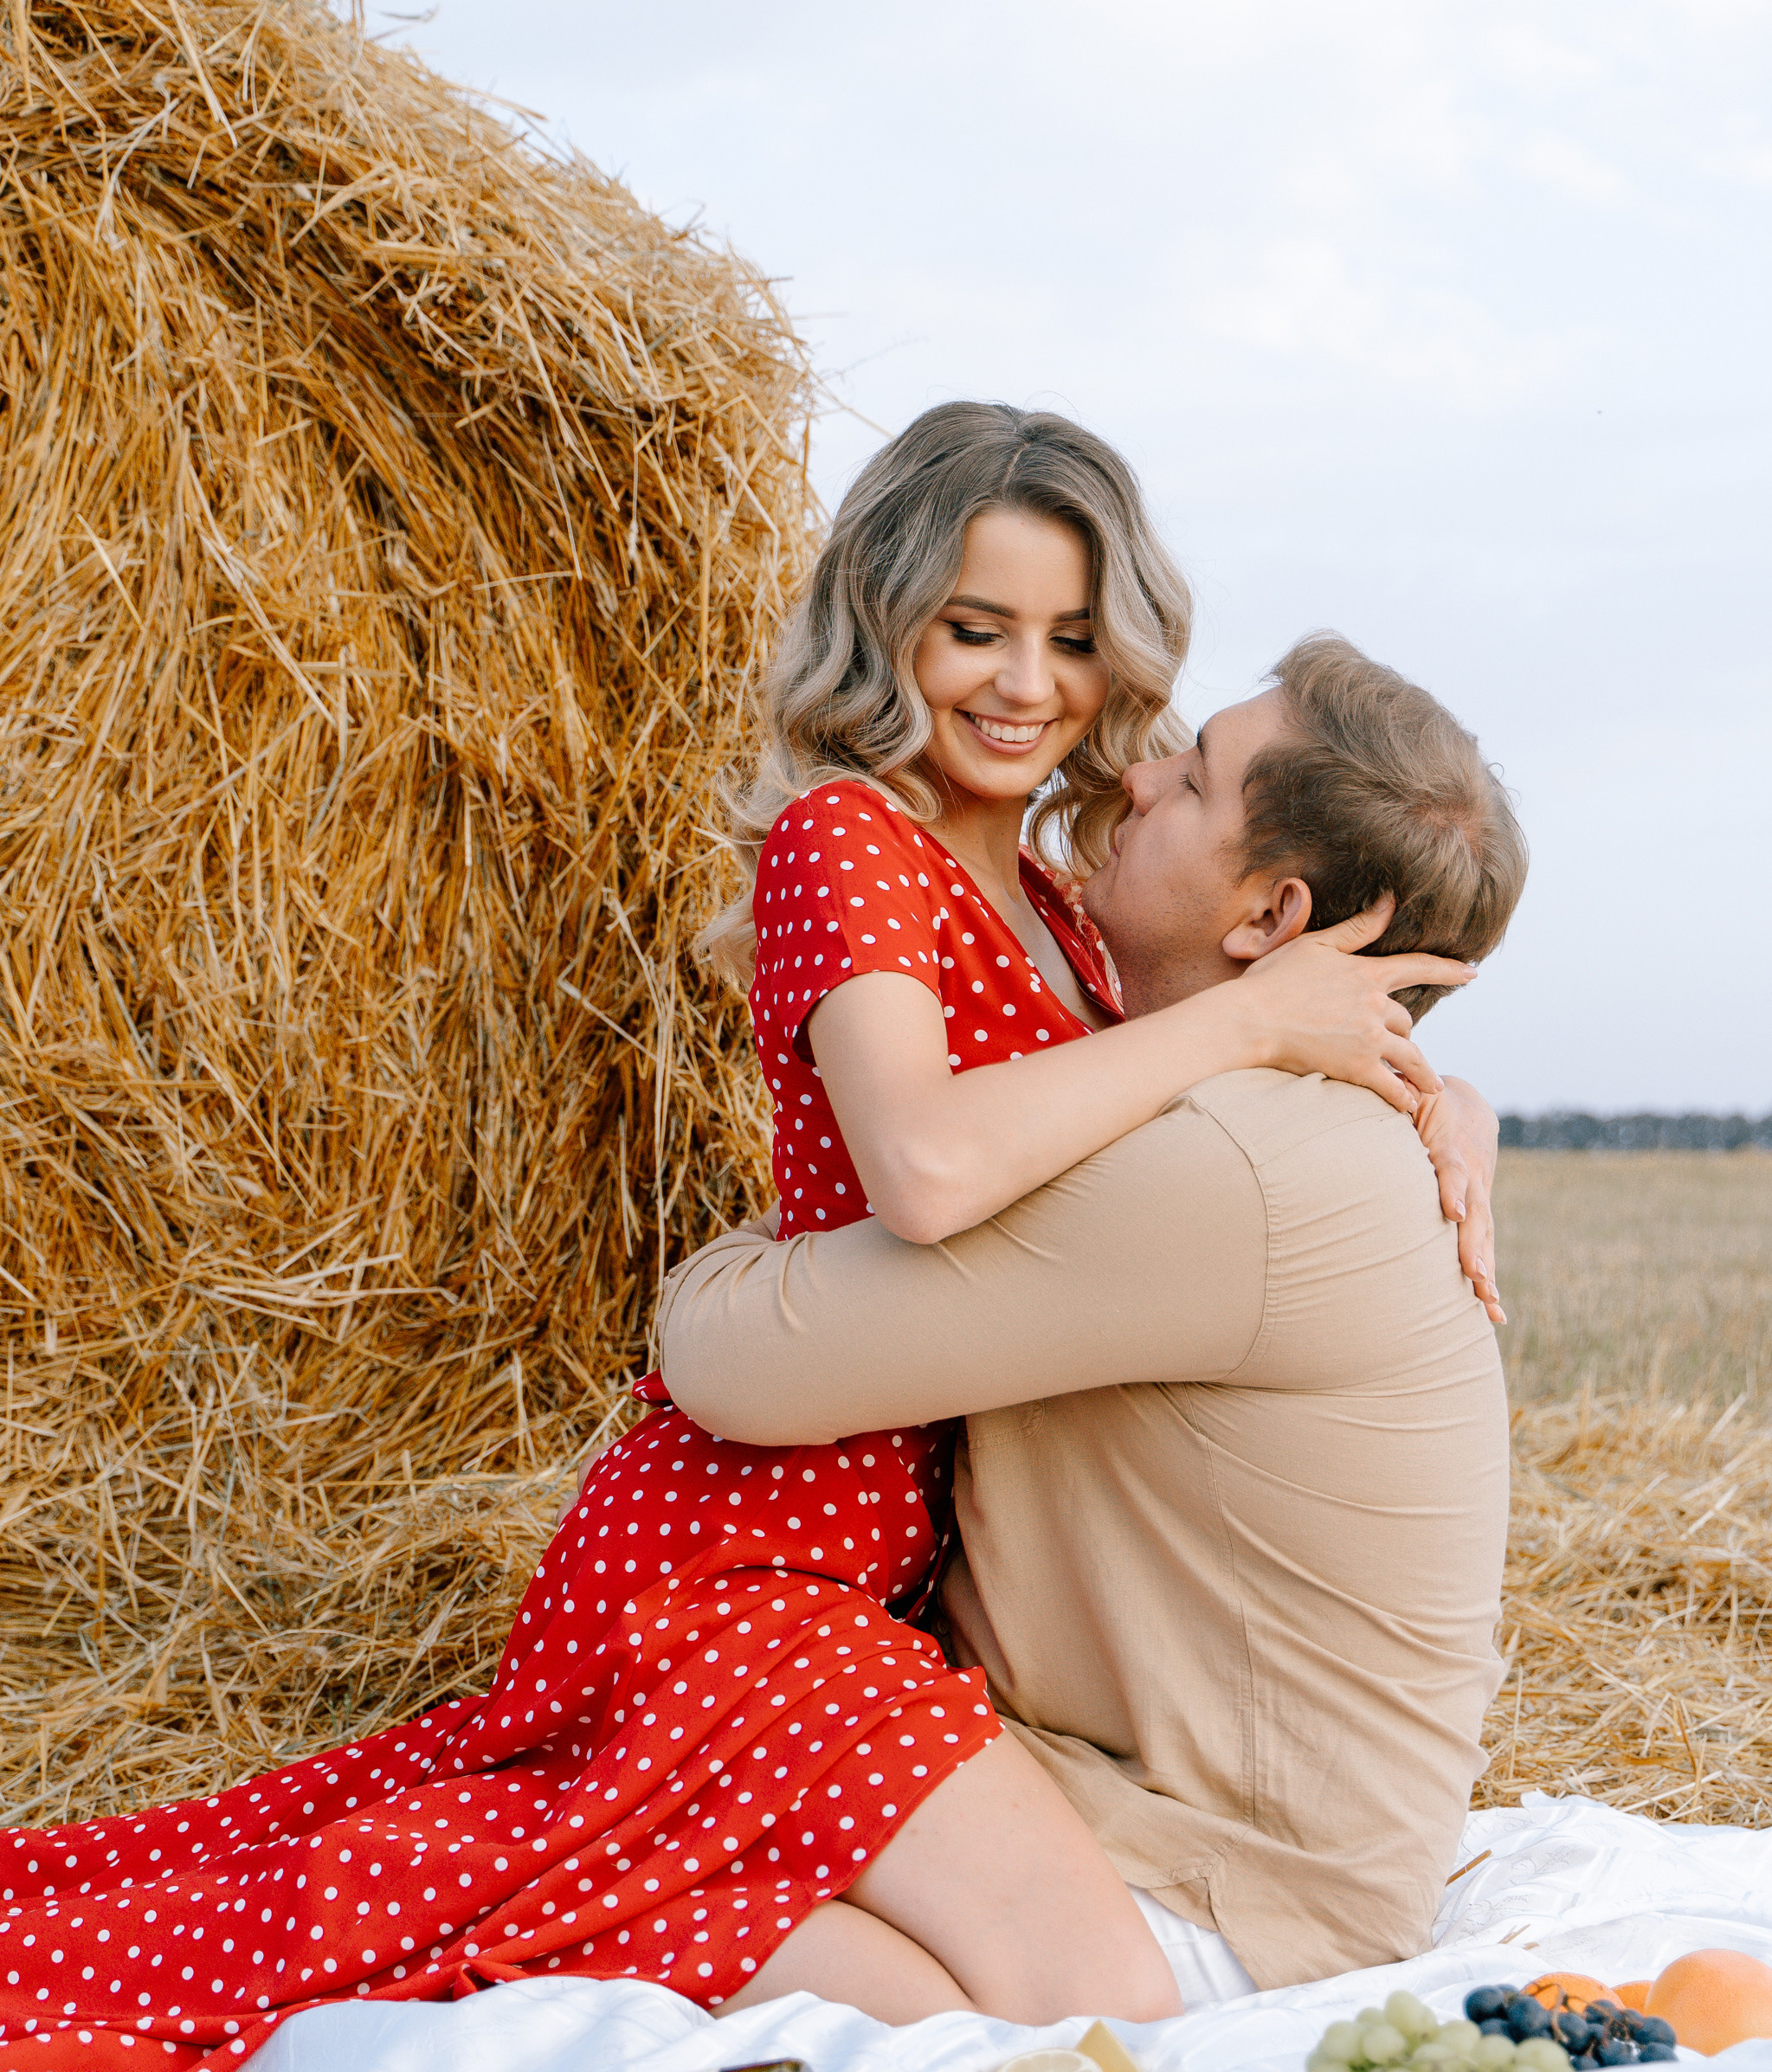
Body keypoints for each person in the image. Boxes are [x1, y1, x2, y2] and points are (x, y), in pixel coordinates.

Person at [0, 407, 1482, 2072]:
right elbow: (931, 1167)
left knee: (470, 1826)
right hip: (757, 1534)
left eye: (1076, 639)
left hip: (875, 1550)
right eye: (977, 629)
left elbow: (1180, 1138)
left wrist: (1429, 1096)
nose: (1031, 684)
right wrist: (1246, 1024)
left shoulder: (1059, 911)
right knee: (500, 1882)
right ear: (890, 624)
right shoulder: (851, 842)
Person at [654, 630, 1528, 1993]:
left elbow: (736, 1359)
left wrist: (773, 1232)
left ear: (1270, 920)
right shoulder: (1281, 1126)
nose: (1136, 777)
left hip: (1213, 1903)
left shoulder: (1233, 1167)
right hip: (1183, 1837)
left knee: (603, 1906)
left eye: (1196, 777)